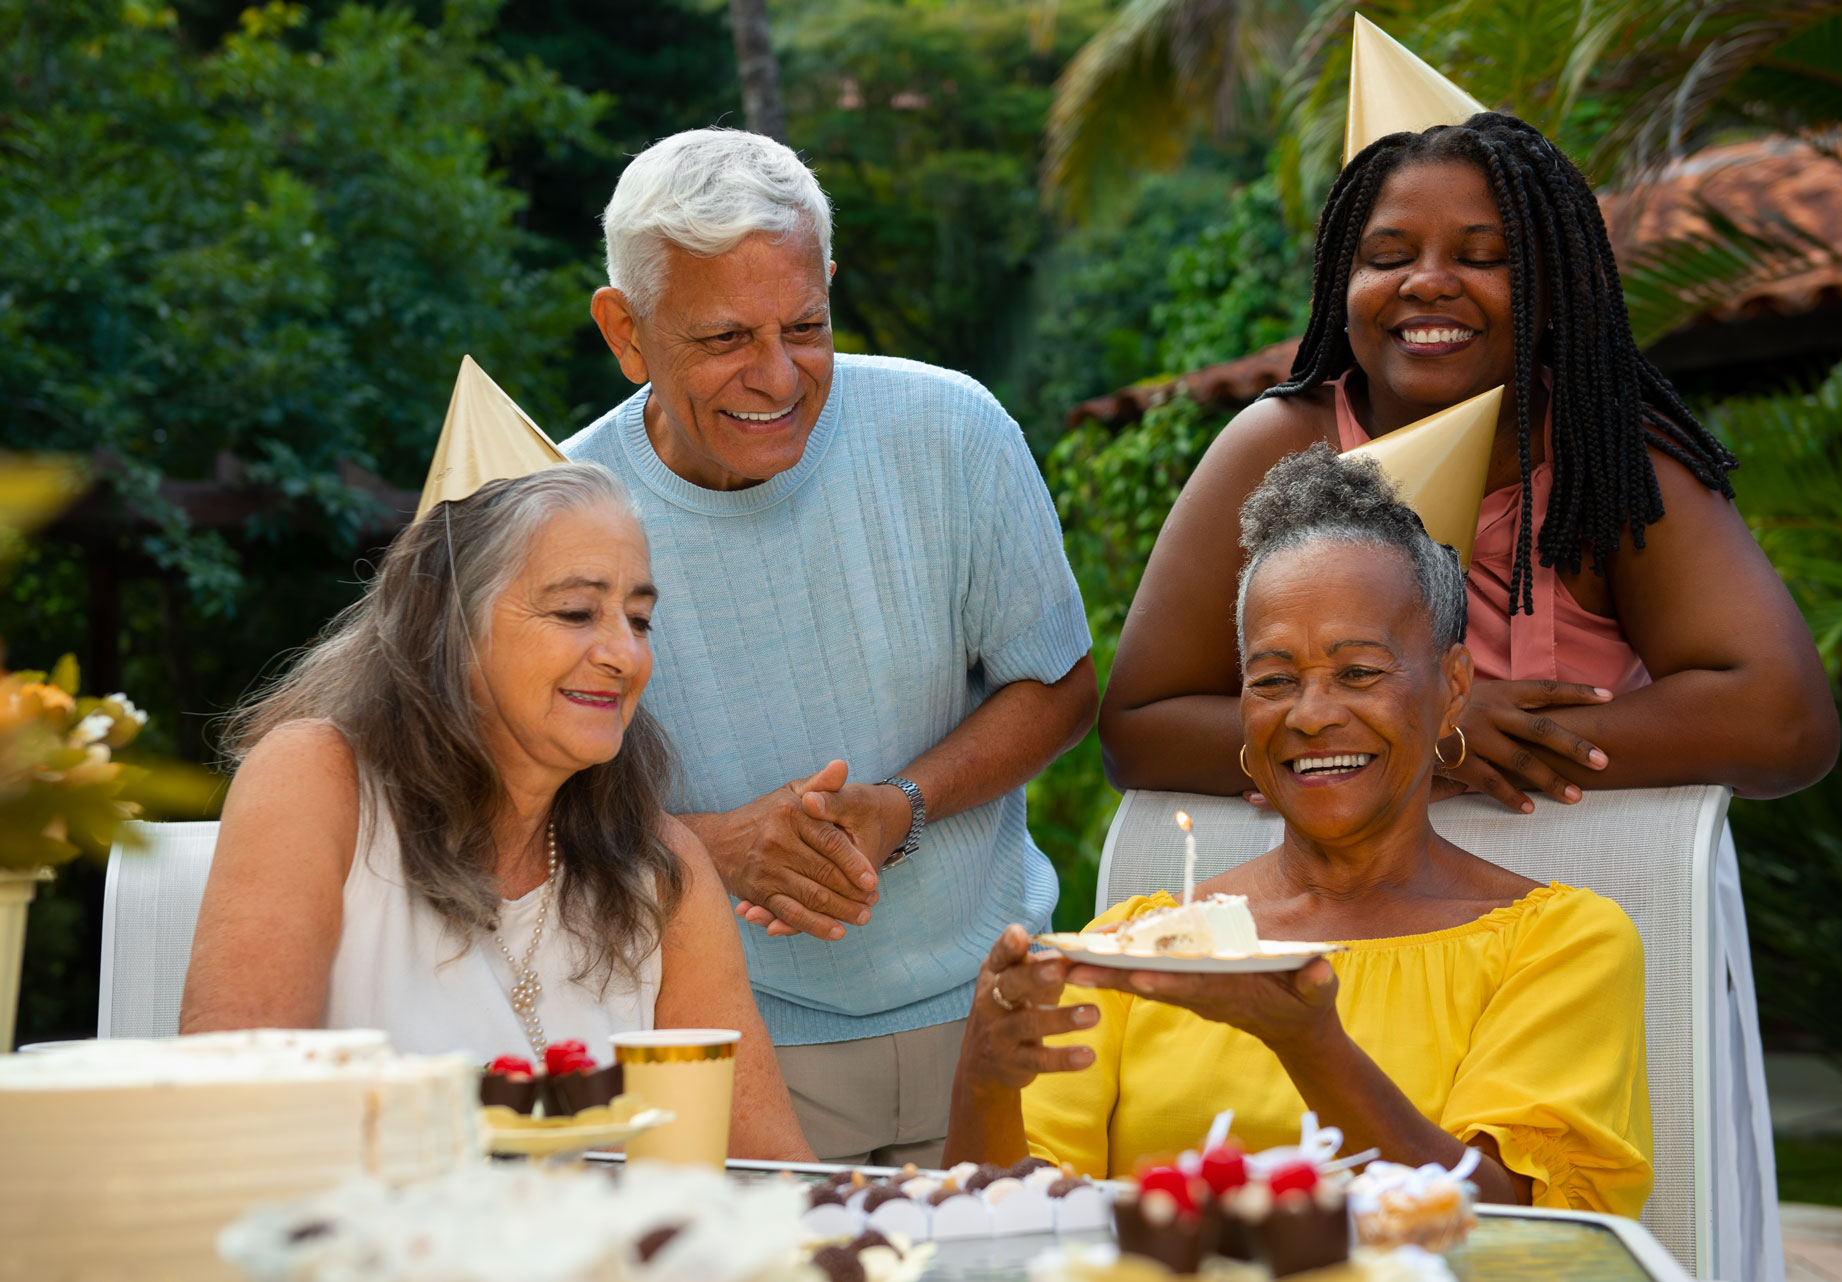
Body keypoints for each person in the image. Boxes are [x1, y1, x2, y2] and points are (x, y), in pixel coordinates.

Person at [1098, 112, 1825, 1282]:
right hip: (1322, 904)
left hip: (1590, 914)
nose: (1429, 281)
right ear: (1341, 284)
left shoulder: (1605, 450)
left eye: (1483, 255)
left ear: (1552, 287)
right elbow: (1139, 722)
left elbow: (1783, 716)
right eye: (1388, 254)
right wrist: (1418, 738)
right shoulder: (1277, 442)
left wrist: (1466, 731)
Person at [564, 127, 1096, 1165]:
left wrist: (904, 804)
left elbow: (1061, 688)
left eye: (806, 325)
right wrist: (709, 849)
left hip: (993, 1020)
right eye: (725, 339)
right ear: (627, 332)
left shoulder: (955, 429)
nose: (778, 376)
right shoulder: (560, 511)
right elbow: (510, 807)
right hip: (722, 1047)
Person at [946, 446, 1653, 1216]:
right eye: (1275, 680)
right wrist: (982, 1081)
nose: (1311, 715)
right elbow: (1001, 1226)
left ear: (1453, 688)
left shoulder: (1558, 944)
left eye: (1359, 673)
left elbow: (1522, 1235)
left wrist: (1311, 1047)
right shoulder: (1131, 952)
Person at [180, 459, 812, 1161]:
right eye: (576, 612)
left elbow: (771, 1168)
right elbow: (234, 1117)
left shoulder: (662, 866)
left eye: (639, 620)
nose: (625, 655)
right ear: (449, 624)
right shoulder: (316, 778)